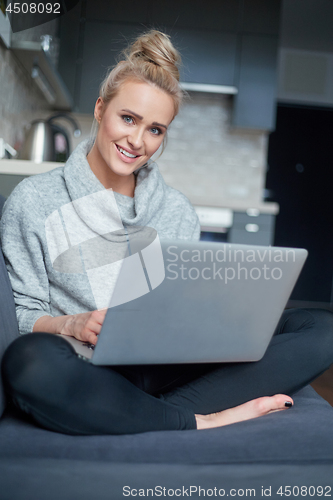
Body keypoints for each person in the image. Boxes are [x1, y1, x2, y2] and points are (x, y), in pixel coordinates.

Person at [1, 30, 333, 435]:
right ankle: (200, 419)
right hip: (86, 367)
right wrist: (70, 324)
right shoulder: (34, 199)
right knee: (30, 362)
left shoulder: (176, 210)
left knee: (320, 330)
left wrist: (223, 323)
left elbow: (186, 310)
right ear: (100, 108)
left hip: (169, 369)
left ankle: (130, 413)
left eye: (156, 129)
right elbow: (19, 314)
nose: (137, 141)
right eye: (128, 118)